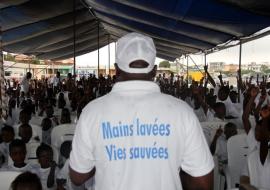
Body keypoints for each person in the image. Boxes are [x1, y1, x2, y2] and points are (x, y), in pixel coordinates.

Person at [69, 32, 214, 190]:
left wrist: (104, 159)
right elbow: (203, 184)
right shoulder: (182, 112)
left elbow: (78, 176)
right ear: (154, 71)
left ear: (116, 69)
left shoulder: (92, 112)